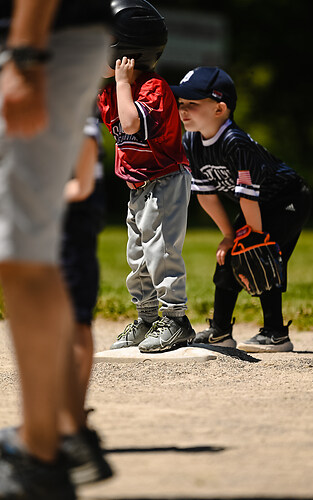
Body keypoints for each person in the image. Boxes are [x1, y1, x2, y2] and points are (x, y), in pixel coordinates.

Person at [0, 1, 112, 497]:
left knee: (21, 254)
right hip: (42, 39)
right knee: (22, 250)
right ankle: (63, 435)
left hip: (41, 39)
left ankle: (40, 453)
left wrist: (25, 54)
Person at [171, 66, 311, 353]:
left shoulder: (235, 143)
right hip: (257, 204)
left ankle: (275, 334)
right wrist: (228, 236)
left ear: (220, 108)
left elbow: (248, 197)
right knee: (229, 256)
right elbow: (206, 195)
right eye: (181, 104)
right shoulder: (191, 140)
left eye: (192, 104)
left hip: (289, 199)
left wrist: (254, 238)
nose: (183, 110)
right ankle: (220, 331)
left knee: (261, 255)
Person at [98, 0, 195, 353]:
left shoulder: (153, 89)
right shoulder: (109, 93)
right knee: (137, 256)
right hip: (139, 187)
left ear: (127, 52)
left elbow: (131, 124)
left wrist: (123, 83)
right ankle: (149, 316)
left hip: (166, 180)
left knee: (162, 252)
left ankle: (176, 320)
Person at [61, 113, 106, 421]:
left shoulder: (70, 101)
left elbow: (82, 185)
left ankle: (73, 417)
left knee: (75, 318)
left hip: (70, 225)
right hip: (46, 225)